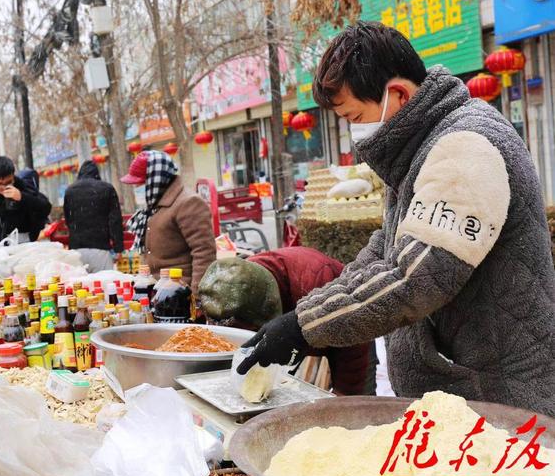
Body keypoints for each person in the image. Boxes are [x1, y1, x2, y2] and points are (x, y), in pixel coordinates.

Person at [237, 21, 555, 417]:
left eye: (355, 117)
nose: (355, 132)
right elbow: (386, 251)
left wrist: (305, 326)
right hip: (465, 399)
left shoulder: (465, 149)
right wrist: (304, 317)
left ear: (398, 94)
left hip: (497, 402)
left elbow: (414, 277)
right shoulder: (421, 148)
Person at [198, 250, 375, 396]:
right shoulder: (233, 284)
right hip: (296, 334)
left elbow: (353, 354)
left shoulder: (317, 279)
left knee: (359, 410)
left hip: (352, 331)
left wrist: (345, 398)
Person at [120, 150, 216, 292]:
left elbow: (204, 253)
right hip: (158, 289)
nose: (137, 188)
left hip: (180, 292)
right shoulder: (154, 206)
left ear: (156, 179)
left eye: (140, 183)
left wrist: (197, 297)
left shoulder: (188, 203)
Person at [0, 155, 51, 261]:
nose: (4, 188)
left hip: (23, 255)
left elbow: (45, 208)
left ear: (13, 175)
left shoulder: (24, 189)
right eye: (0, 184)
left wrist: (22, 197)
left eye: (9, 182)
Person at [63, 160, 124, 272]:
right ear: (97, 173)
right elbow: (115, 221)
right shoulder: (107, 189)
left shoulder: (70, 191)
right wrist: (118, 248)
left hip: (76, 251)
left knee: (80, 287)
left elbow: (68, 220)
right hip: (101, 249)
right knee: (102, 286)